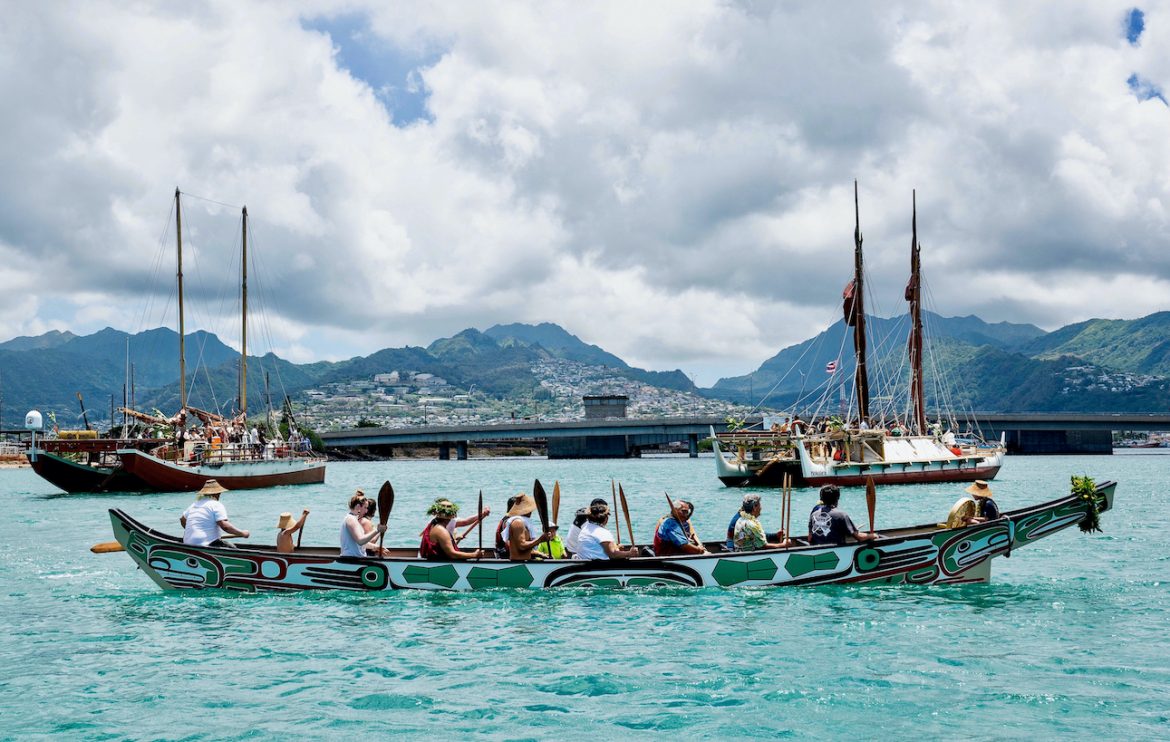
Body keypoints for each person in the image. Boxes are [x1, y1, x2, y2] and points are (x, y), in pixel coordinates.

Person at [180, 479, 250, 546]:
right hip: (206, 544)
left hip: (187, 543)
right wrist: (242, 533)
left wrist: (194, 531)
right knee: (232, 548)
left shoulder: (194, 504)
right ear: (216, 494)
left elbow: (182, 520)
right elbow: (225, 526)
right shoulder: (216, 504)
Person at [808, 484, 878, 546]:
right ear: (837, 498)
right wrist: (872, 535)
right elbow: (859, 537)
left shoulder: (814, 514)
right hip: (835, 551)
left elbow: (810, 538)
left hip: (818, 549)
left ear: (821, 499)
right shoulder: (841, 515)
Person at [573, 500, 639, 560]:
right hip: (598, 567)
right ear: (605, 518)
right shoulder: (602, 532)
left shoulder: (586, 528)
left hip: (585, 563)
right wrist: (630, 553)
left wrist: (616, 548)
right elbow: (612, 554)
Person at [419, 499, 483, 560]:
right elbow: (452, 554)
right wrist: (474, 555)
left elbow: (442, 544)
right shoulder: (441, 530)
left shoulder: (433, 524)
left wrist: (454, 538)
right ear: (452, 516)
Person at [503, 493, 553, 561]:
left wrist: (540, 554)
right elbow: (521, 546)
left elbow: (526, 548)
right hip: (519, 564)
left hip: (526, 562)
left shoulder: (524, 523)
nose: (531, 512)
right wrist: (540, 539)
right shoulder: (518, 522)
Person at [340, 491, 385, 557]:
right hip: (352, 560)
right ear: (358, 506)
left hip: (356, 559)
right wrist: (377, 530)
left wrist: (375, 547)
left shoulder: (353, 519)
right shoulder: (351, 519)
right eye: (365, 507)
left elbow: (360, 543)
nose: (366, 511)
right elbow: (360, 541)